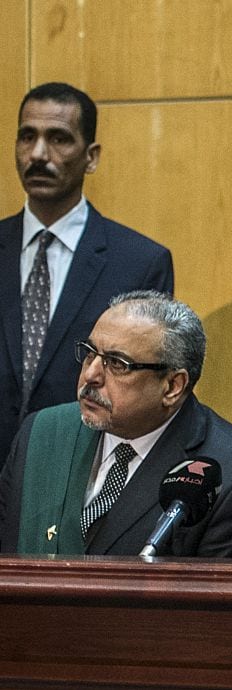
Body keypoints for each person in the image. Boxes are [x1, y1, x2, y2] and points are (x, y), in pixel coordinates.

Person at [0, 291, 232, 557]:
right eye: (90, 353)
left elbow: (215, 609)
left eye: (117, 364)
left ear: (173, 386)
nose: (91, 375)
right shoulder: (42, 432)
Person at [0, 82, 174, 466]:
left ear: (91, 157)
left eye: (58, 138)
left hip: (78, 474)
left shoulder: (140, 263)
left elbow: (143, 395)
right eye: (27, 137)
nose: (38, 154)